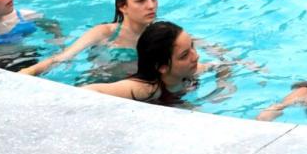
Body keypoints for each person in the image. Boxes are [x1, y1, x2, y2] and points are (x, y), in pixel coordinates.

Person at [21, 0, 157, 78]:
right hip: (99, 85)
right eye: (141, 1)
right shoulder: (105, 33)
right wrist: (30, 71)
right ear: (122, 6)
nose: (151, 6)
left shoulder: (161, 35)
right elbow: (64, 57)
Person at [83, 21, 224, 104]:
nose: (196, 56)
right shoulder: (146, 89)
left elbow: (222, 66)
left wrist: (223, 85)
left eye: (192, 47)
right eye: (184, 55)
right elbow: (89, 91)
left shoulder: (191, 71)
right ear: (162, 67)